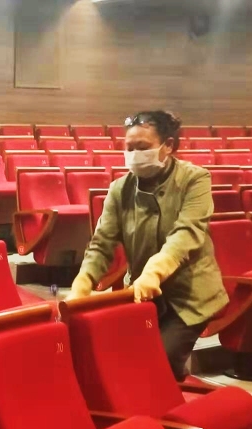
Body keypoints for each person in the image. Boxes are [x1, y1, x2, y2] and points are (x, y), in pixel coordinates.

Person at [66, 110, 228, 381]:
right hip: (142, 293)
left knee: (160, 360)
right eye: (129, 148)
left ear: (168, 146)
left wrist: (154, 271)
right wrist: (82, 284)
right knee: (127, 358)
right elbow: (102, 244)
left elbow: (186, 233)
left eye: (142, 147)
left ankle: (169, 399)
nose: (134, 154)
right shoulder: (120, 189)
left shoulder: (194, 179)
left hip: (190, 297)